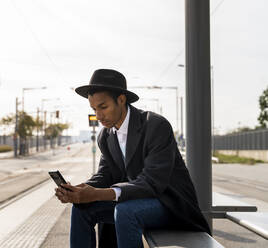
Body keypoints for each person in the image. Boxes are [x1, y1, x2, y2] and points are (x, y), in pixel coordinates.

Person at [55, 69, 210, 248]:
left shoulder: (155, 126)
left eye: (103, 107)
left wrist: (96, 194)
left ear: (121, 100)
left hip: (169, 203)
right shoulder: (106, 136)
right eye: (94, 109)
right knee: (81, 209)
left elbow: (152, 182)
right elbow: (105, 175)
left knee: (126, 212)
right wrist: (80, 191)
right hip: (135, 201)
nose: (98, 116)